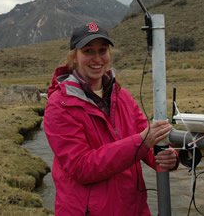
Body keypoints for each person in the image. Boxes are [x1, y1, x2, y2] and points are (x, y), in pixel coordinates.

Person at [44, 21, 178, 216]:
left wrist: (168, 157)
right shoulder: (59, 105)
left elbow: (148, 142)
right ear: (74, 57)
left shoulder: (121, 96)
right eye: (88, 51)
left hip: (133, 208)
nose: (97, 58)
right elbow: (81, 167)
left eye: (102, 50)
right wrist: (142, 141)